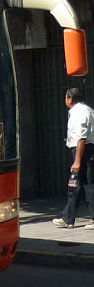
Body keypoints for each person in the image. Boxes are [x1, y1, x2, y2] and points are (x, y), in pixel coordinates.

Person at [54, 88, 94, 229]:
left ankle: (68, 218)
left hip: (83, 151)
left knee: (84, 184)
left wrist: (77, 160)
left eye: (66, 97)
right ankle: (68, 218)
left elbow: (81, 138)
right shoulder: (88, 110)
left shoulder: (78, 113)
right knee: (79, 185)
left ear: (70, 99)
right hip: (86, 150)